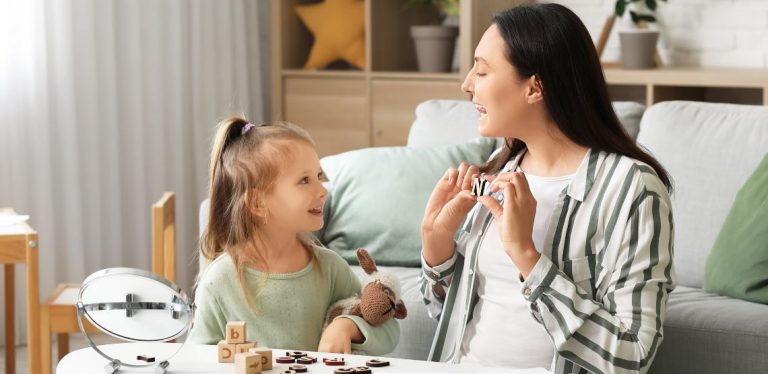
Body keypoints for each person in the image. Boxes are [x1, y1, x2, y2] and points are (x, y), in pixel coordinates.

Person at [419, 3, 675, 373]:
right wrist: (437, 248)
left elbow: (632, 356)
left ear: (535, 87)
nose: (467, 84)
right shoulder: (499, 168)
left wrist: (528, 257)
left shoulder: (632, 188)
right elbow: (445, 314)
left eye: (483, 70)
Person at [189, 118, 398, 355]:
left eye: (318, 176)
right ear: (257, 203)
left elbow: (387, 328)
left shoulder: (329, 268)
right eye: (304, 180)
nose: (322, 190)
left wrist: (347, 326)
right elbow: (198, 358)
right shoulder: (219, 281)